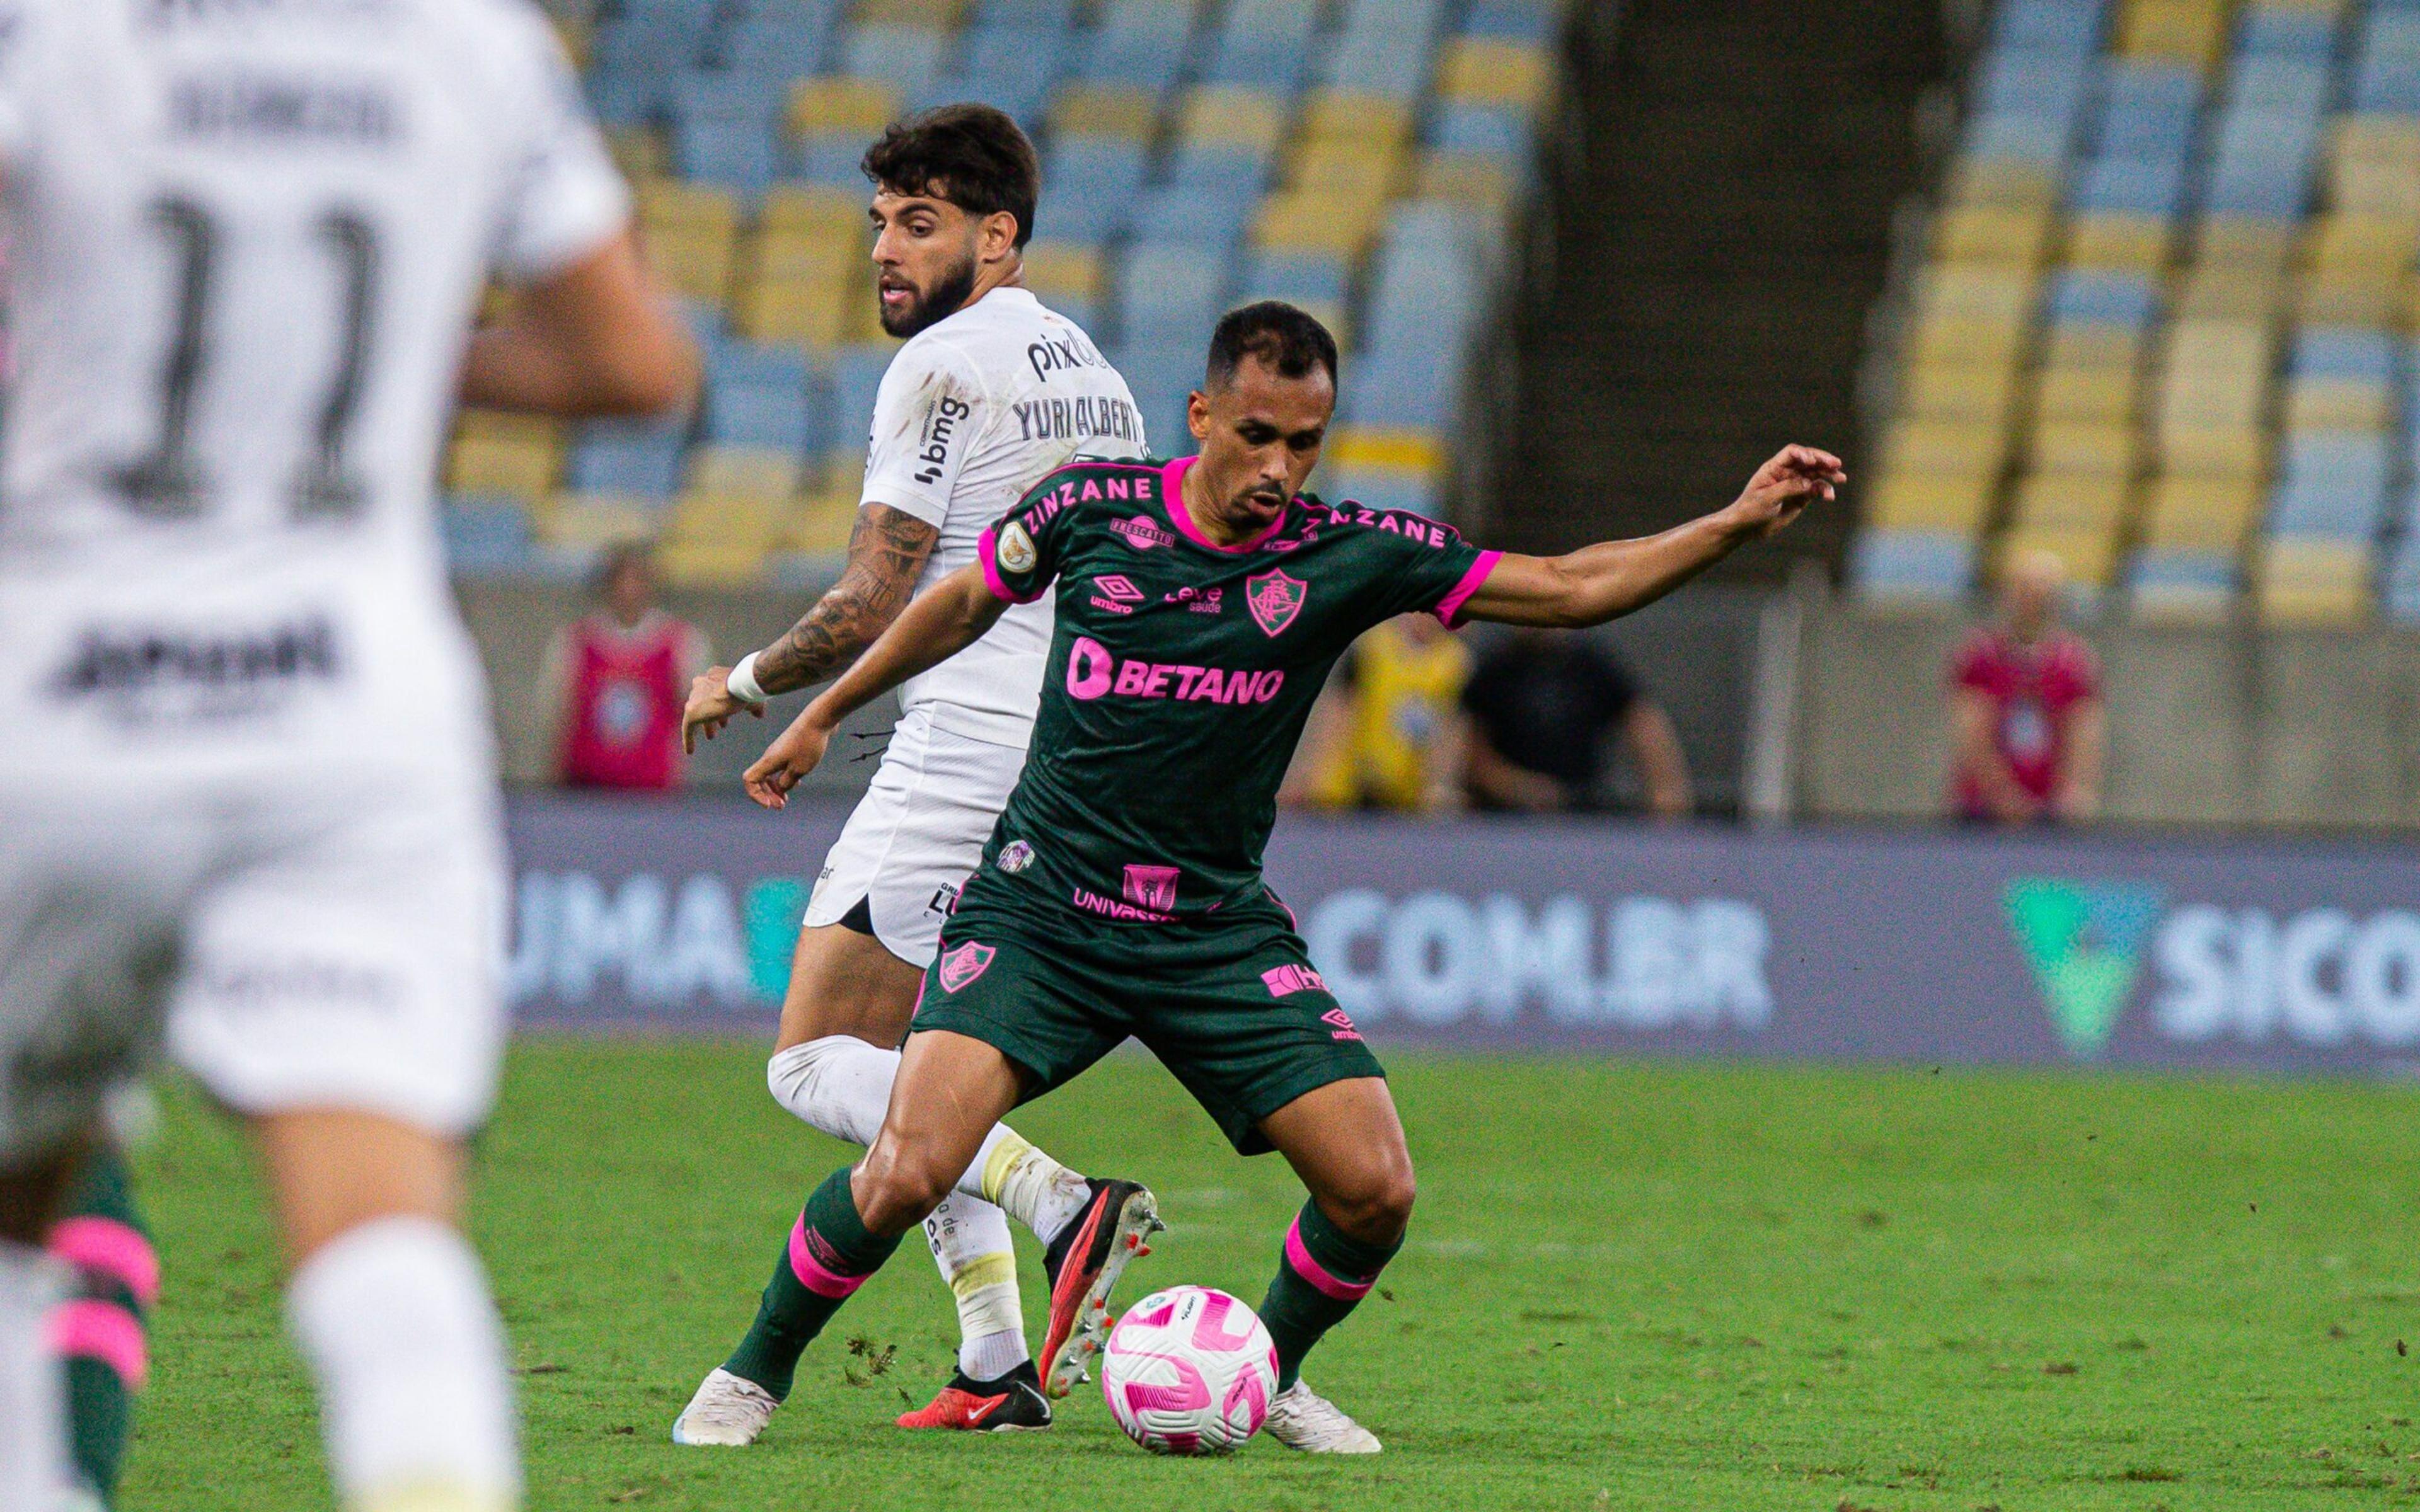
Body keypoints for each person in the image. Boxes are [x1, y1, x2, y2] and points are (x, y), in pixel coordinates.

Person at [731, 302, 1842, 1452]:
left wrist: (1734, 523)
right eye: (1256, 434)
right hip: (1044, 909)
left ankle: (1268, 1373)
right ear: (1202, 413)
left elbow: (1565, 585)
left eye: (1305, 442)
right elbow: (963, 599)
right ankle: (752, 1376)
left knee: (1377, 1189)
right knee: (911, 1166)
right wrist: (821, 713)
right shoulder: (1091, 509)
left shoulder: (1346, 553)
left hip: (1212, 928)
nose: (1278, 468)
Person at [0, 2, 698, 1508]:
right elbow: (638, 361)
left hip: (62, 698)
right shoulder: (469, 40)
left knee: (18, 1208)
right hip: (348, 718)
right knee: (384, 1239)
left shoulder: (59, 29)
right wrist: (378, 356)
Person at [671, 104, 1155, 1445]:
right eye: (880, 221)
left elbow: (879, 583)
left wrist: (754, 685)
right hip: (1077, 754)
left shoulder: (944, 366)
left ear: (998, 236)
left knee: (815, 1057)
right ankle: (998, 1358)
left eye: (921, 222)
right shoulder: (1089, 368)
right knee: (909, 1062)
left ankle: (1065, 1206)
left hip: (970, 745)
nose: (887, 248)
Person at [1460, 629, 1693, 818]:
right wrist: (1516, 786)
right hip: (1505, 818)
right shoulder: (1495, 667)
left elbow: (1643, 722)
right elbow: (1467, 744)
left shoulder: (1593, 665)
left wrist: (1666, 790)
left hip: (1585, 812)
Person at [1948, 548, 2105, 825]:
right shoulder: (1981, 654)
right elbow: (1971, 731)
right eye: (2025, 590)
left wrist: (2076, 788)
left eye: (2043, 591)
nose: (2034, 600)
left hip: (2053, 810)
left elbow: (2084, 729)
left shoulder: (2074, 660)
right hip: (1983, 810)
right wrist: (2001, 794)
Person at [541, 543, 712, 791]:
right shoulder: (575, 641)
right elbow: (558, 714)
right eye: (621, 580)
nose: (628, 590)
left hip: (654, 793)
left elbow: (697, 719)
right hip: (584, 789)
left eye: (637, 580)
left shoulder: (682, 643)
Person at [1284, 612, 1472, 813]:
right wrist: (1311, 771)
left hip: (1406, 797)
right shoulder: (1371, 646)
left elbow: (1451, 730)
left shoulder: (1456, 662)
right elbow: (1339, 710)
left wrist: (1439, 784)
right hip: (1347, 789)